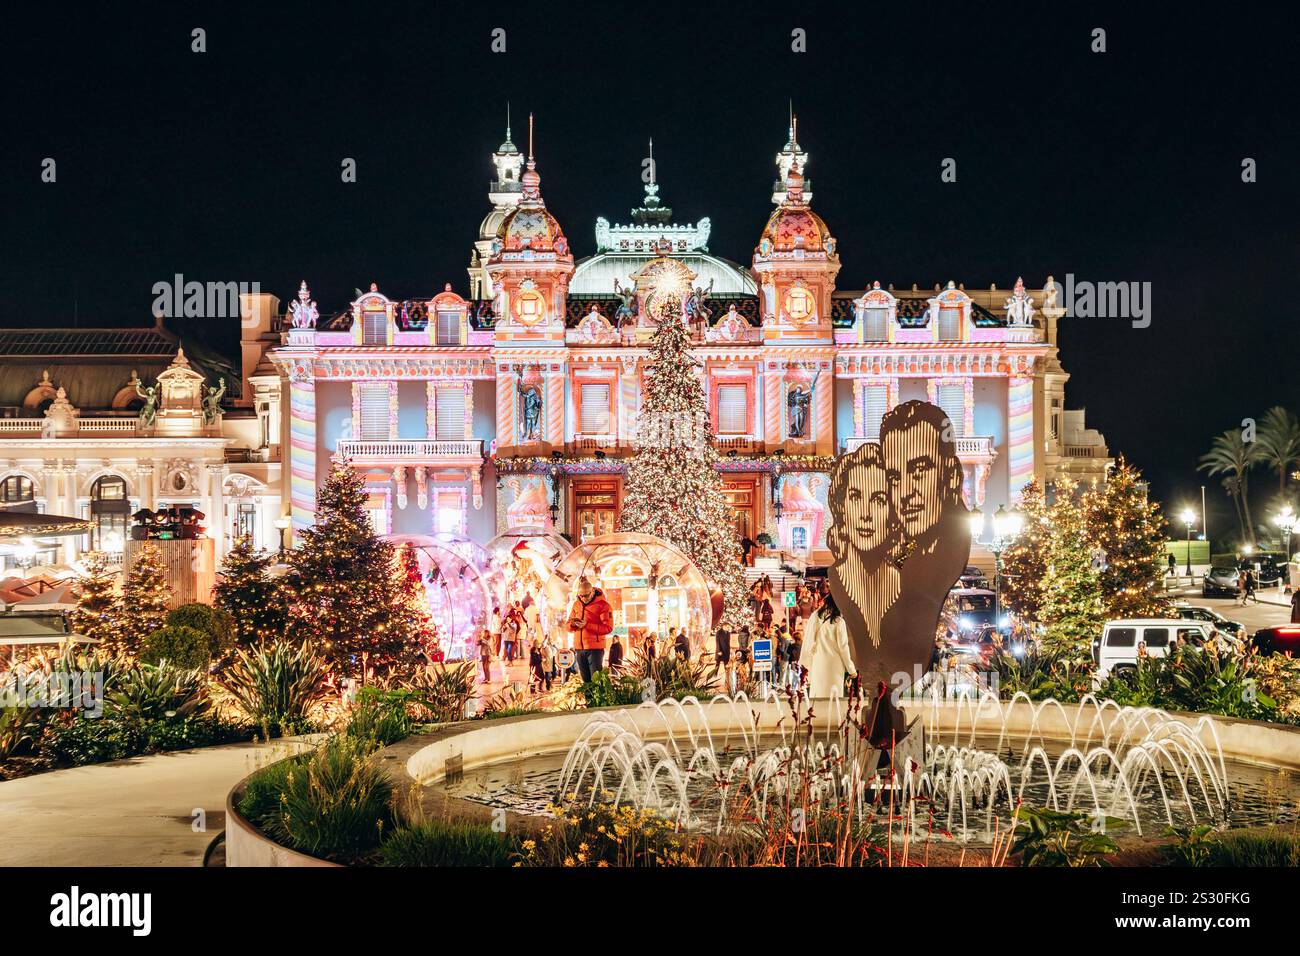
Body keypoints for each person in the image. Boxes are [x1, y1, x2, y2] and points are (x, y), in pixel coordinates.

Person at [798, 591, 857, 699]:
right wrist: (851, 669)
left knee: (818, 697)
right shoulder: (838, 621)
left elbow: (809, 640)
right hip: (834, 666)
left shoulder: (815, 616)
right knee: (834, 700)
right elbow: (843, 647)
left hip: (817, 663)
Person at [567, 576, 614, 682]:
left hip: (595, 649)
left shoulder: (603, 606)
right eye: (581, 596)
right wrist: (573, 624)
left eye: (586, 595)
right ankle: (588, 698)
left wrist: (587, 625)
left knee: (596, 682)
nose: (583, 598)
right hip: (579, 649)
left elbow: (608, 628)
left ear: (592, 591)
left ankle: (598, 699)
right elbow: (568, 626)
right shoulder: (576, 604)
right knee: (586, 682)